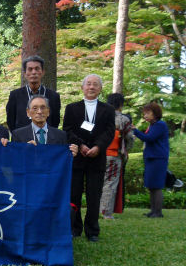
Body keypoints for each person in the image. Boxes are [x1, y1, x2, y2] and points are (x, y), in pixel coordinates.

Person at [63, 74, 115, 241]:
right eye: (88, 84)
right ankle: (75, 228)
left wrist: (98, 147)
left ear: (100, 89)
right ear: (82, 87)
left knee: (94, 196)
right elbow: (67, 130)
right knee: (74, 194)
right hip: (77, 156)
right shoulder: (72, 108)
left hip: (97, 158)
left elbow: (109, 131)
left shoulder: (108, 109)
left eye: (95, 85)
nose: (91, 87)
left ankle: (92, 230)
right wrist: (81, 145)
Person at [99, 93, 134, 219]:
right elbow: (129, 138)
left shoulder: (100, 116)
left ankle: (96, 209)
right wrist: (126, 150)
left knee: (98, 182)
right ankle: (105, 212)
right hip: (114, 154)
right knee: (110, 183)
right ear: (121, 104)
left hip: (99, 153)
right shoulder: (123, 119)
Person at [132, 102, 169, 218]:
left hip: (157, 158)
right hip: (151, 158)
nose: (145, 116)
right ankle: (153, 211)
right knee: (151, 185)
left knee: (156, 185)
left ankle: (158, 212)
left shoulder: (160, 125)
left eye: (148, 113)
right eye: (144, 113)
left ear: (155, 113)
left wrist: (135, 130)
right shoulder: (153, 125)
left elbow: (149, 138)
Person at [6, 55, 61, 131]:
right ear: (25, 73)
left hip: (46, 139)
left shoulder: (53, 96)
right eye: (30, 69)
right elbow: (10, 121)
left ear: (43, 72)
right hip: (22, 140)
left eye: (37, 69)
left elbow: (55, 122)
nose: (34, 72)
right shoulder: (15, 95)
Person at [10, 95, 78, 156]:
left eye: (43, 108)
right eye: (35, 108)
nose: (39, 112)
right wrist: (23, 150)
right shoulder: (18, 135)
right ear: (28, 113)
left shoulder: (60, 135)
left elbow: (63, 162)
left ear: (48, 112)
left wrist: (71, 154)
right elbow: (14, 160)